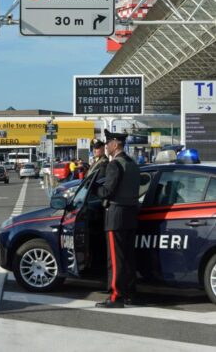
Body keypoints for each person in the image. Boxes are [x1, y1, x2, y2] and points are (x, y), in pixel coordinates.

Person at [95, 129, 140, 308]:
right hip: (130, 215)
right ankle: (129, 294)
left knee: (115, 259)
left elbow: (107, 191)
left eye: (107, 144)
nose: (106, 147)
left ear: (115, 144)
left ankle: (116, 296)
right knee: (128, 258)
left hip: (116, 216)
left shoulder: (115, 165)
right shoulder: (133, 164)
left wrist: (94, 190)